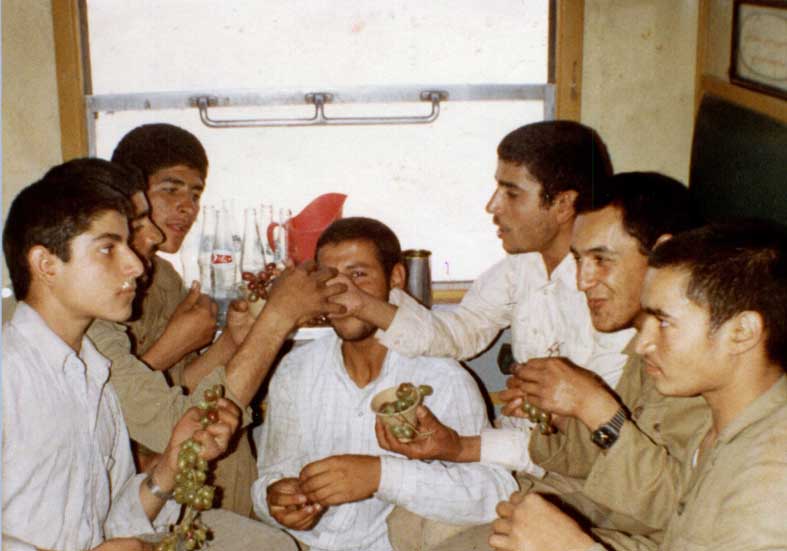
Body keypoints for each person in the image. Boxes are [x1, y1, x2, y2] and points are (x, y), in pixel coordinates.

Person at [386, 172, 702, 551]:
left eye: (601, 259)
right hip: (607, 501)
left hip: (651, 533)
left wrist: (593, 404)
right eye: (579, 260)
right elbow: (596, 458)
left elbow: (675, 508)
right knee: (409, 523)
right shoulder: (645, 340)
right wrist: (561, 417)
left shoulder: (699, 356)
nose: (583, 281)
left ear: (663, 255)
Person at [330, 121, 633, 475]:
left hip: (578, 472)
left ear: (563, 204)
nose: (492, 206)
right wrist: (363, 304)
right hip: (517, 455)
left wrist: (464, 447)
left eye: (511, 193)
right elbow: (461, 334)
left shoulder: (610, 297)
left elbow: (593, 444)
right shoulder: (522, 266)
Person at [89, 123, 346, 516]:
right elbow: (147, 410)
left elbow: (183, 386)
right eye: (171, 189)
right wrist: (277, 317)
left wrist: (231, 342)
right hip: (138, 481)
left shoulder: (165, 278)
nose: (187, 207)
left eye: (195, 195)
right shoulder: (97, 288)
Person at [490, 221, 787, 551]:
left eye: (664, 322)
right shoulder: (720, 429)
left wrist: (573, 547)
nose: (643, 343)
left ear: (742, 332)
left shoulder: (773, 471)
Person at [2, 159, 240, 551]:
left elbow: (107, 523)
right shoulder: (10, 374)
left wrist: (171, 464)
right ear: (47, 265)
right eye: (108, 248)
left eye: (128, 245)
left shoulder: (93, 375)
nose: (134, 265)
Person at [252, 218, 518, 551]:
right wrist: (276, 500)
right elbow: (271, 475)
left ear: (396, 278)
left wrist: (381, 476)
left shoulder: (441, 377)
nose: (341, 292)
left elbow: (494, 490)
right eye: (328, 278)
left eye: (358, 275)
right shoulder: (296, 370)